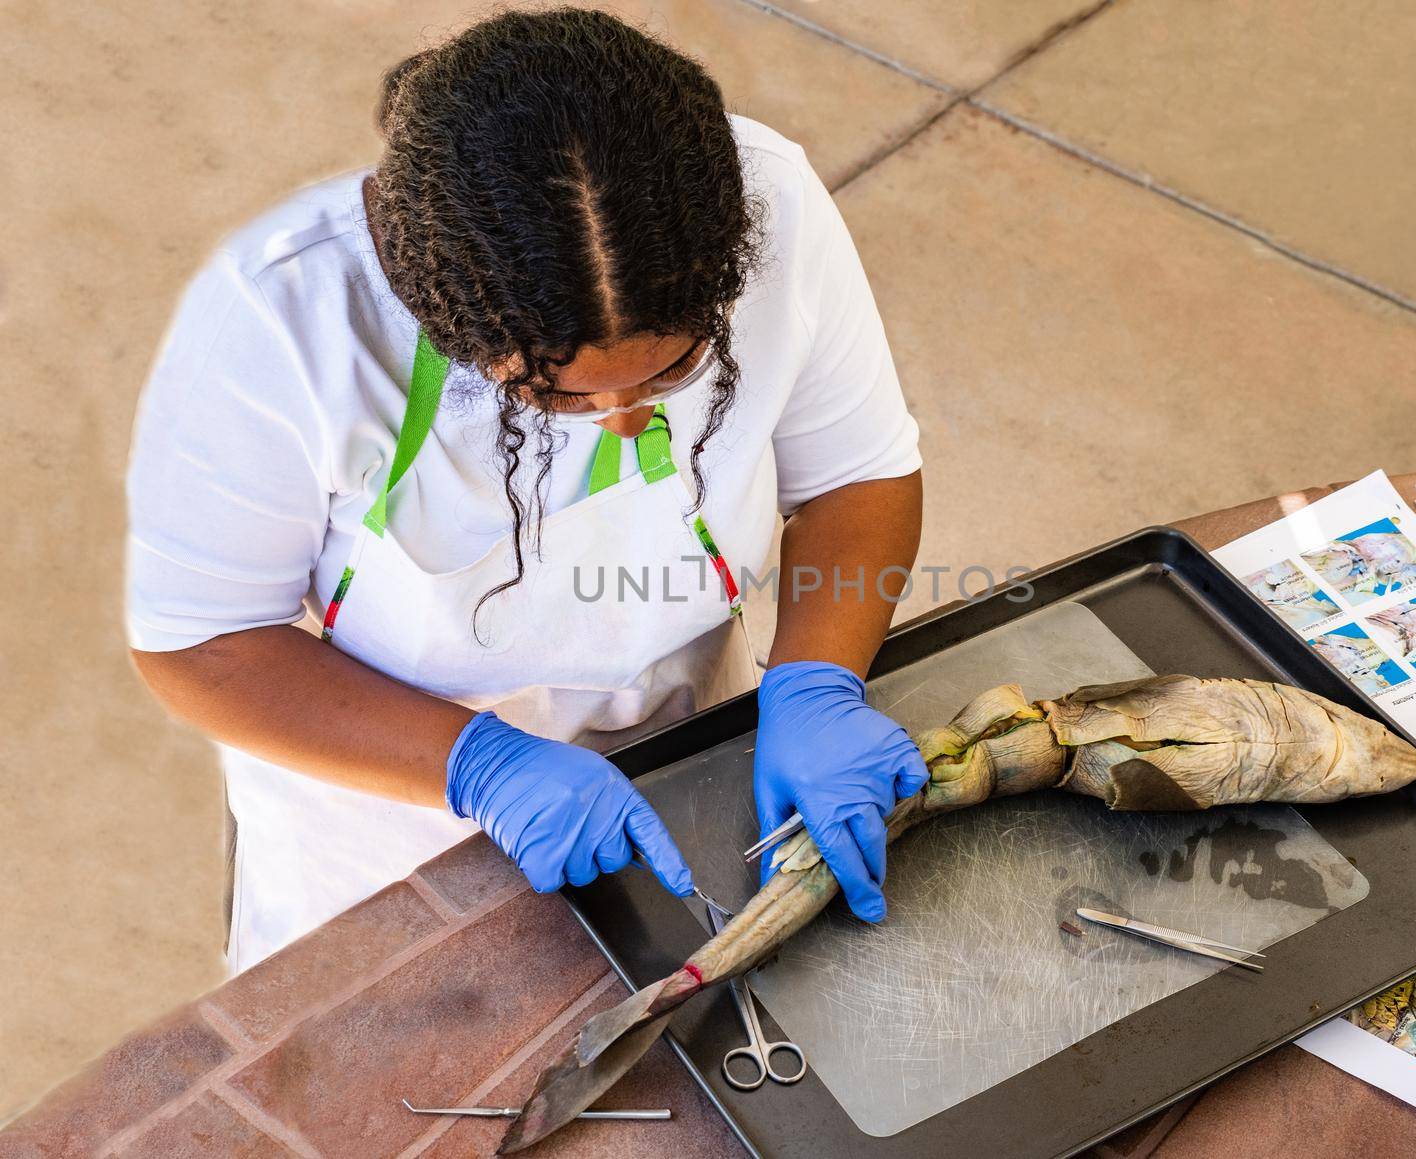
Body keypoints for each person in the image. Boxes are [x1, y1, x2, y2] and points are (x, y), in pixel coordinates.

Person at [125, 8, 926, 973]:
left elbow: (858, 476)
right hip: (387, 820)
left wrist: (816, 681)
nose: (627, 422)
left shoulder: (775, 207)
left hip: (683, 742)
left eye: (672, 373)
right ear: (447, 314)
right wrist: (482, 768)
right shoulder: (278, 320)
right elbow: (201, 642)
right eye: (559, 393)